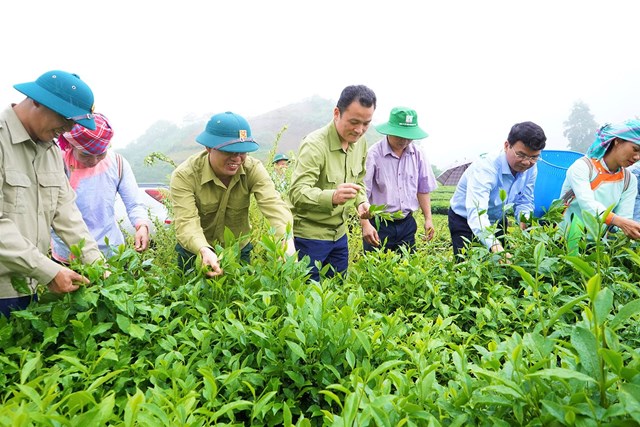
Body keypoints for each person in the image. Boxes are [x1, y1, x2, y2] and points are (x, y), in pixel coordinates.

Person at [0, 70, 104, 317]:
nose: (68, 128)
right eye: (65, 117)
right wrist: (49, 270)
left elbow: (66, 213)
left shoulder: (52, 153)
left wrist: (98, 266)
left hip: (33, 287)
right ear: (36, 100)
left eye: (74, 122)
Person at [170, 111, 295, 277]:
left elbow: (273, 204)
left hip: (238, 249)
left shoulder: (253, 169)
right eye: (230, 151)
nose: (237, 158)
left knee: (240, 299)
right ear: (208, 148)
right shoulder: (185, 175)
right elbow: (186, 221)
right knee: (190, 299)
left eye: (242, 152)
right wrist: (204, 250)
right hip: (195, 251)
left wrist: (286, 240)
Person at [288, 85, 375, 281]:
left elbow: (358, 180)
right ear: (337, 113)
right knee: (308, 298)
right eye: (354, 122)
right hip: (311, 237)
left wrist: (361, 202)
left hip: (339, 236)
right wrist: (332, 197)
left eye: (366, 124)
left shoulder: (360, 142)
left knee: (336, 294)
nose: (359, 130)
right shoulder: (315, 145)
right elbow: (297, 192)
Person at [50, 113, 151, 263]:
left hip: (110, 250)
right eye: (86, 155)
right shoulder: (58, 163)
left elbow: (134, 203)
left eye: (100, 154)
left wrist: (142, 225)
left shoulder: (118, 163)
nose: (94, 160)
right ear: (72, 146)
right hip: (69, 253)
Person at [448, 121, 547, 260]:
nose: (526, 162)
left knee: (502, 266)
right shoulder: (486, 167)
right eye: (521, 155)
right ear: (507, 146)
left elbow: (525, 200)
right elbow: (477, 212)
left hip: (497, 216)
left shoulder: (531, 168)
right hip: (464, 218)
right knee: (467, 264)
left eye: (533, 157)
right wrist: (494, 246)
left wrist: (525, 222)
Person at [361, 106, 437, 253]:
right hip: (379, 224)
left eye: (409, 136)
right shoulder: (374, 154)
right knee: (376, 269)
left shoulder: (418, 154)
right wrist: (365, 224)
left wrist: (428, 218)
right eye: (400, 136)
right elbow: (362, 193)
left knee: (407, 269)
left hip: (407, 223)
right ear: (389, 131)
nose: (405, 140)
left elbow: (423, 188)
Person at [560, 120, 640, 245]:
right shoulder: (583, 167)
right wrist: (620, 222)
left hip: (597, 246)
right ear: (617, 141)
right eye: (635, 149)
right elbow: (588, 205)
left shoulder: (629, 180)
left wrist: (629, 231)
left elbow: (625, 218)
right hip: (564, 241)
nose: (637, 157)